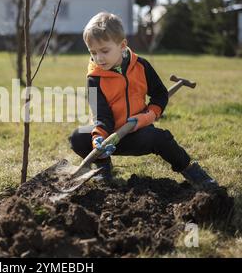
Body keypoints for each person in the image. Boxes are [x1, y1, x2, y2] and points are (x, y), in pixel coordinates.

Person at [69, 12, 217, 190]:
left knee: (162, 138)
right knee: (77, 137)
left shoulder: (141, 66)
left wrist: (147, 117)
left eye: (104, 51)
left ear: (122, 45)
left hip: (137, 131)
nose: (99, 58)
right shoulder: (94, 78)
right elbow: (101, 113)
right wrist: (99, 137)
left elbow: (160, 95)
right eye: (93, 52)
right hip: (110, 135)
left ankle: (192, 171)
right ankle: (103, 166)